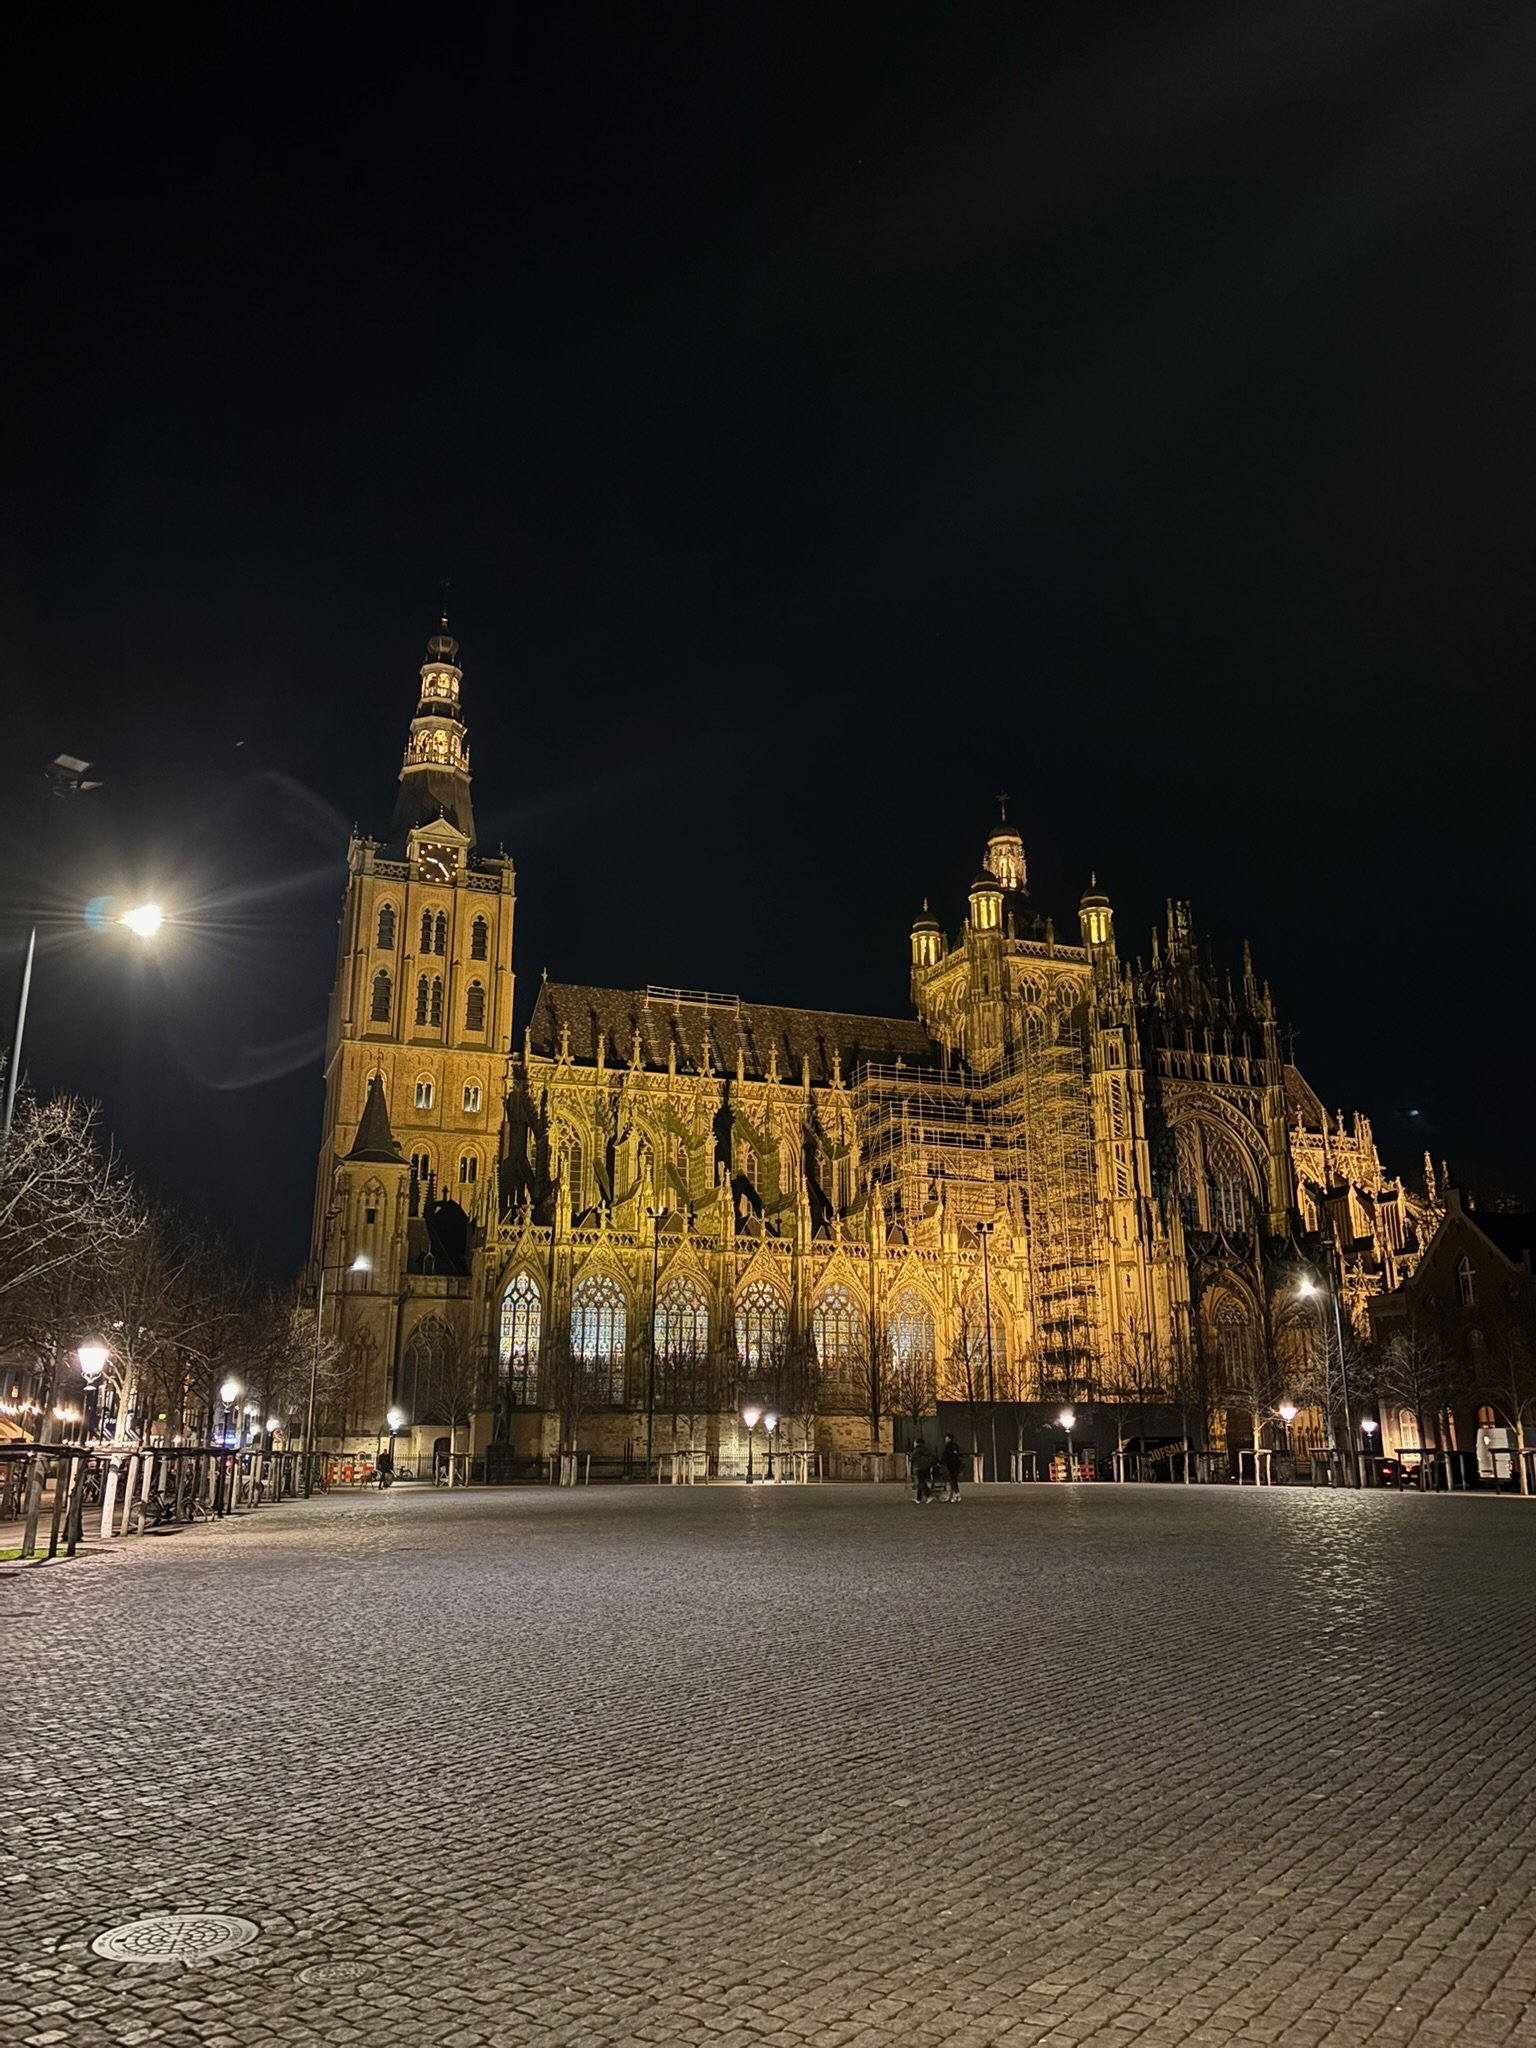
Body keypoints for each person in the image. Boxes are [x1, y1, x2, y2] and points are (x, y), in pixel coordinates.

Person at [910, 1436, 935, 1504]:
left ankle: (928, 1495)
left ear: (917, 1443)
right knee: (921, 1482)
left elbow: (912, 1458)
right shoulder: (926, 1449)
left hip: (919, 1467)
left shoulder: (917, 1450)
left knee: (921, 1483)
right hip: (927, 1467)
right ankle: (919, 1499)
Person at [940, 1433, 964, 1502]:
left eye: (946, 1438)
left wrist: (941, 1462)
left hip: (951, 1465)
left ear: (948, 1438)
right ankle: (956, 1495)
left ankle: (956, 1495)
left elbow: (944, 1455)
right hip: (957, 1465)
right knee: (954, 1480)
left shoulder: (948, 1446)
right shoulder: (956, 1445)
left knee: (952, 1480)